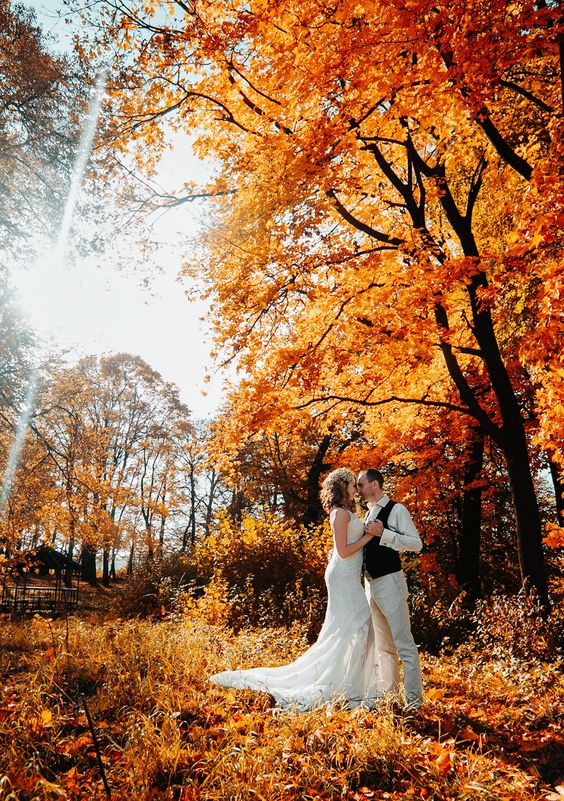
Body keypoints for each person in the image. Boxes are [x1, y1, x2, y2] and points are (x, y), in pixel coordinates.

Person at [210, 468, 381, 710]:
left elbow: (339, 549)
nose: (356, 488)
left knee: (352, 628)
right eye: (353, 484)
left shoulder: (348, 512)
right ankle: (343, 683)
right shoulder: (339, 513)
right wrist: (369, 537)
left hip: (349, 575)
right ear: (342, 486)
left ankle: (352, 683)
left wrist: (364, 537)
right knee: (361, 625)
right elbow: (343, 551)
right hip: (343, 577)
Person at [357, 468, 424, 711]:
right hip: (370, 585)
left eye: (361, 484)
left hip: (391, 583)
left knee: (404, 644)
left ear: (374, 484)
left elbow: (416, 544)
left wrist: (384, 533)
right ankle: (392, 697)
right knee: (384, 647)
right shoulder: (367, 514)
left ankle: (414, 702)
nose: (359, 489)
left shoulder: (397, 510)